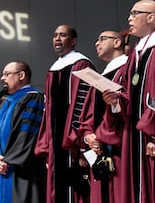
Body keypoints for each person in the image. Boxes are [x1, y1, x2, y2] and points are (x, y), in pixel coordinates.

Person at [101, 0, 155, 203]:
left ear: (151, 18)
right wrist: (114, 101)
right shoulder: (135, 54)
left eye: (134, 13)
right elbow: (129, 95)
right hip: (135, 136)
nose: (129, 18)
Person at [34, 25, 95, 203]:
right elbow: (48, 112)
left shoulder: (81, 65)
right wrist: (47, 147)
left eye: (63, 35)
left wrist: (80, 141)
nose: (57, 39)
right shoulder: (53, 70)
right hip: (56, 144)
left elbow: (86, 104)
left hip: (72, 142)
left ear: (73, 41)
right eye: (55, 36)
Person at [0, 61, 45, 203]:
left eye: (7, 74)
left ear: (21, 75)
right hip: (4, 168)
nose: (2, 78)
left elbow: (26, 137)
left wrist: (6, 161)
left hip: (23, 172)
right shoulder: (6, 101)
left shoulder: (34, 98)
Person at [80, 29, 130, 203]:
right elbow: (89, 114)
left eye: (102, 39)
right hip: (100, 145)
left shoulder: (128, 68)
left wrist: (115, 103)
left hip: (121, 144)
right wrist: (89, 136)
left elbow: (130, 107)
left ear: (117, 43)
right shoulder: (101, 77)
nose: (96, 43)